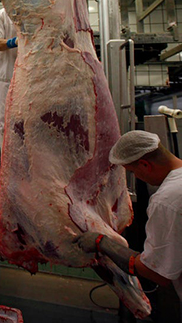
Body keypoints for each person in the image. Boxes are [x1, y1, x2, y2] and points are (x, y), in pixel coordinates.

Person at [77, 130, 182, 312]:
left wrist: (102, 243)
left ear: (145, 165)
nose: (137, 177)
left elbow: (156, 273)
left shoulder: (167, 200)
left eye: (133, 172)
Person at [0, 7, 18, 147]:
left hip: (27, 76)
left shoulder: (28, 14)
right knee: (5, 122)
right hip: (5, 76)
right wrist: (15, 42)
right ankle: (6, 158)